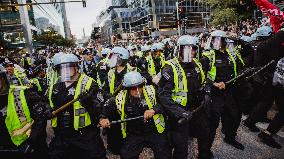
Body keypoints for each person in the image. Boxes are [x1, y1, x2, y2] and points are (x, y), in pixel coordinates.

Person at [100, 71, 171, 159]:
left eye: (140, 86)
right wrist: (103, 118)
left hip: (154, 130)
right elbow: (105, 109)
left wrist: (154, 110)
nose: (137, 90)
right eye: (133, 88)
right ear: (127, 88)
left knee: (164, 153)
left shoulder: (152, 91)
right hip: (134, 133)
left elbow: (165, 103)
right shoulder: (119, 99)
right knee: (126, 155)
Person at [48, 53, 106, 159]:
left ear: (76, 66)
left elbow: (100, 110)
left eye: (69, 66)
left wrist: (89, 103)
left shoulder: (89, 84)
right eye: (62, 68)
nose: (66, 70)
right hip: (62, 135)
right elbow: (47, 102)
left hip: (85, 135)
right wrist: (46, 109)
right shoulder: (55, 86)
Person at [158, 35, 206, 159]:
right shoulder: (170, 68)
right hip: (178, 113)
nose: (190, 52)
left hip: (196, 109)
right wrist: (179, 112)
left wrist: (207, 93)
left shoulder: (197, 64)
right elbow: (163, 96)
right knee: (181, 147)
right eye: (186, 49)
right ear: (179, 49)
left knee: (205, 134)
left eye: (193, 49)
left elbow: (203, 83)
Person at [202, 30, 244, 150]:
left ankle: (230, 138)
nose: (216, 43)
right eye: (214, 40)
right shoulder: (207, 56)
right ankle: (206, 150)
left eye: (219, 40)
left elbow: (237, 68)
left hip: (228, 91)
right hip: (214, 94)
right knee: (213, 123)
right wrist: (214, 84)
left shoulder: (230, 54)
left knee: (234, 115)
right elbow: (201, 76)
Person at [0, 64, 49, 159]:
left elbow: (41, 119)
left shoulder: (23, 94)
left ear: (3, 78)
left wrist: (31, 142)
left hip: (29, 149)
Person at [248, 25, 284, 149]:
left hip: (272, 76)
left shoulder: (263, 42)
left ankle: (251, 121)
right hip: (273, 77)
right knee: (267, 102)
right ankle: (264, 132)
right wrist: (260, 72)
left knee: (266, 101)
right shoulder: (276, 38)